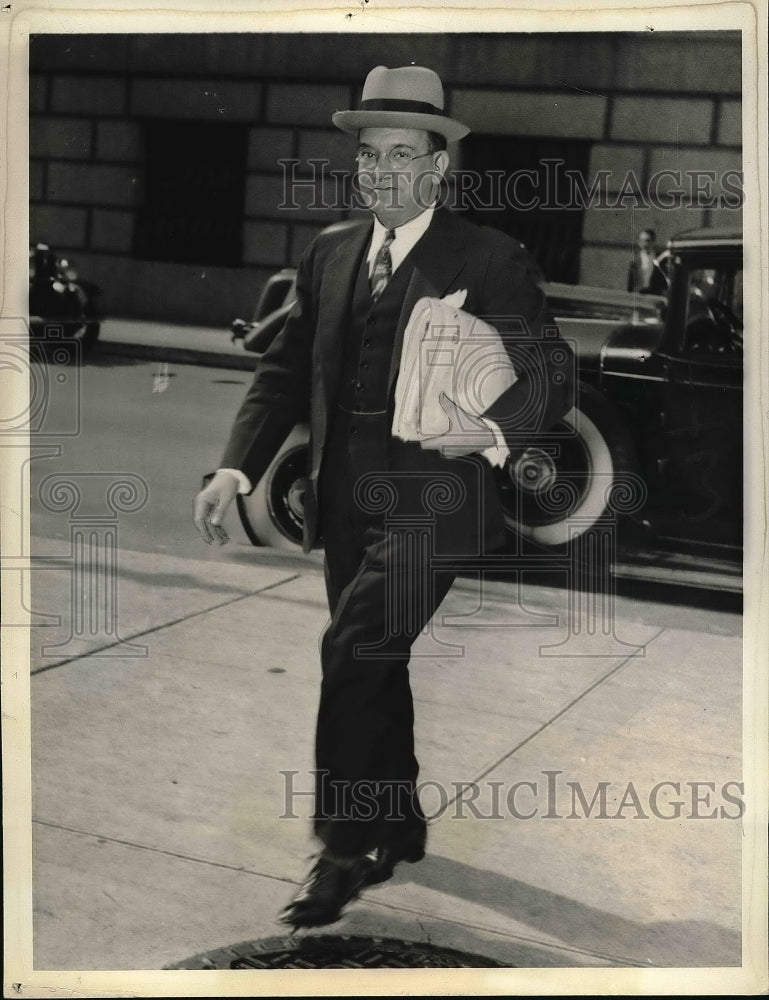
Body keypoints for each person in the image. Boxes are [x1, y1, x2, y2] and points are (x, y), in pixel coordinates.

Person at [193, 65, 575, 929]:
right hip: (346, 503)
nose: (382, 171)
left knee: (356, 647)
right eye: (369, 155)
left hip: (437, 504)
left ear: (438, 166)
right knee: (375, 658)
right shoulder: (329, 251)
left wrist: (489, 431)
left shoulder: (488, 256)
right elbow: (286, 368)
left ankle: (341, 848)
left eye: (403, 154)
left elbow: (550, 371)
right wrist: (234, 466)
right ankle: (397, 821)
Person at [627, 228, 667, 294]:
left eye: (647, 241)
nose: (644, 244)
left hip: (654, 295)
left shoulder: (660, 259)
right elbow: (630, 281)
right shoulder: (635, 259)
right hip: (637, 294)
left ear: (653, 242)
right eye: (641, 241)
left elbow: (663, 280)